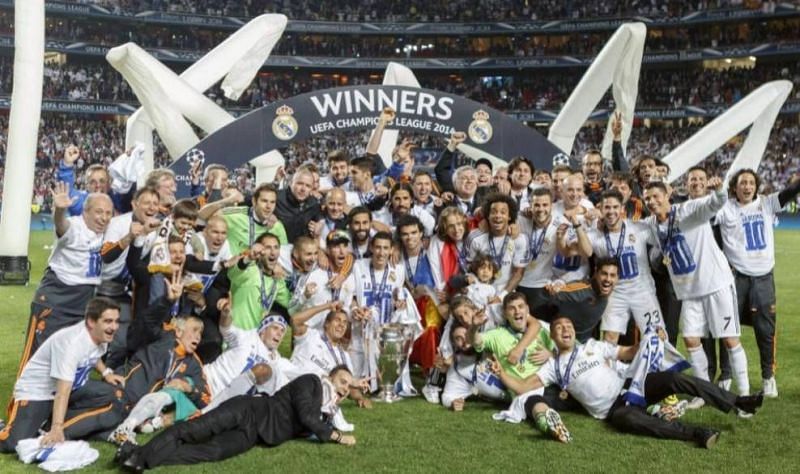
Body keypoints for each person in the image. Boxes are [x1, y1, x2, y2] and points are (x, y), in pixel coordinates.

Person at [492, 316, 764, 448]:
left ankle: (739, 401)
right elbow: (523, 387)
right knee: (632, 422)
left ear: (574, 330)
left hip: (632, 387)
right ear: (553, 335)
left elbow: (628, 353)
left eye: (568, 326)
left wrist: (649, 338)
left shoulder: (594, 346)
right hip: (614, 410)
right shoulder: (553, 366)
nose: (565, 329)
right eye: (559, 327)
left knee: (674, 379)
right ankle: (696, 434)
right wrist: (500, 373)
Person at [643, 179, 751, 411]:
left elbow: (715, 203)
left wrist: (719, 189)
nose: (652, 202)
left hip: (716, 285)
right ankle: (703, 393)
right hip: (689, 292)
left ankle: (744, 395)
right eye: (647, 199)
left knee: (730, 339)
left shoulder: (689, 210)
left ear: (667, 195)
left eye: (655, 197)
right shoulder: (651, 224)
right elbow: (631, 230)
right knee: (691, 340)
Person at [115, 369, 357, 471]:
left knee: (211, 452)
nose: (345, 388)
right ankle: (139, 457)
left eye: (349, 386)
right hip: (249, 409)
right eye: (343, 381)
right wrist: (336, 435)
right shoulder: (312, 382)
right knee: (195, 430)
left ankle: (134, 455)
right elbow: (306, 415)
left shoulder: (326, 411)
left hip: (255, 435)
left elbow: (313, 419)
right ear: (329, 377)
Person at [715, 169, 800, 398]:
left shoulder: (767, 203)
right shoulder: (726, 207)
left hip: (763, 278)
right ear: (734, 187)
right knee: (728, 328)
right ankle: (725, 376)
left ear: (756, 186)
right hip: (735, 277)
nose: (747, 186)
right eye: (743, 182)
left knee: (765, 330)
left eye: (751, 182)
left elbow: (792, 191)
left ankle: (768, 377)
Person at [1, 298, 123, 452]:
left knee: (112, 395)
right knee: (14, 443)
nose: (114, 327)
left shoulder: (100, 334)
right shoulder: (71, 344)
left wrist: (106, 373)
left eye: (116, 321)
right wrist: (57, 427)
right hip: (37, 393)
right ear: (91, 321)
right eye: (108, 321)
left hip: (71, 389)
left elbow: (93, 354)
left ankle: (47, 427)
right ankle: (48, 426)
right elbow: (62, 391)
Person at [20, 184, 113, 370]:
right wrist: (60, 211)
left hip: (82, 304)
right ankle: (22, 399)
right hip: (56, 301)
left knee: (68, 360)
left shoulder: (108, 232)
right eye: (98, 212)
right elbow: (63, 227)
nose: (103, 218)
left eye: (108, 213)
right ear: (85, 212)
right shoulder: (76, 227)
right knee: (36, 360)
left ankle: (60, 399)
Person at [569, 189, 664, 343]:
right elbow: (586, 252)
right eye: (607, 207)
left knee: (656, 335)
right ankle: (609, 368)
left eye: (615, 207)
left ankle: (657, 367)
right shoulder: (596, 234)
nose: (611, 211)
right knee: (610, 338)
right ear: (600, 209)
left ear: (622, 209)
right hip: (615, 294)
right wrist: (578, 225)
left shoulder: (638, 227)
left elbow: (662, 236)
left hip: (643, 291)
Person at [466, 193, 527, 294]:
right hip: (479, 291)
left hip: (506, 292)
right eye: (493, 212)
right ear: (487, 216)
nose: (498, 215)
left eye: (503, 212)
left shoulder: (519, 239)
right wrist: (476, 286)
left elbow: (518, 273)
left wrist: (502, 296)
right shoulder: (475, 237)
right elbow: (468, 265)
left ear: (509, 217)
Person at [275, 166, 322, 242]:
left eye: (308, 186)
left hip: (302, 249)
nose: (303, 189)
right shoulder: (277, 197)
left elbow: (320, 218)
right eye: (300, 183)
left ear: (311, 188)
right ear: (290, 183)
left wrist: (320, 224)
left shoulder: (314, 203)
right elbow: (252, 200)